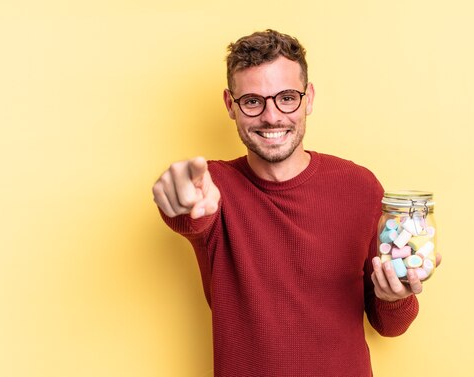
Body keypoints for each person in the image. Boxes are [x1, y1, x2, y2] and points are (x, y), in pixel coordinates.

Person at [152, 29, 439, 377]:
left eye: (287, 97)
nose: (272, 117)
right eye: (253, 101)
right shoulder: (213, 188)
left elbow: (389, 326)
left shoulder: (360, 186)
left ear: (309, 99)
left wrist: (396, 297)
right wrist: (178, 201)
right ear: (231, 105)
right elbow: (189, 215)